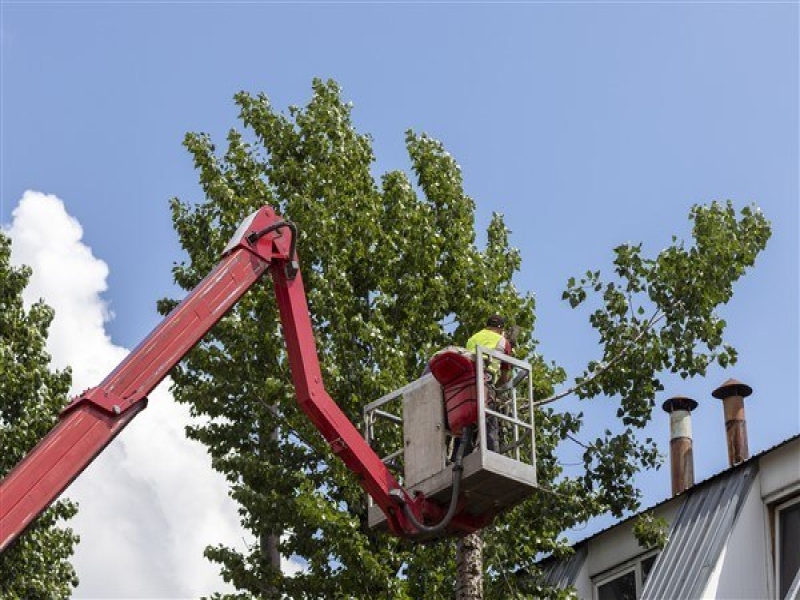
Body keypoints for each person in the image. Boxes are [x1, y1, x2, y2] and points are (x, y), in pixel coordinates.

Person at [465, 315, 513, 451]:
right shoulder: (503, 341)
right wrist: (498, 387)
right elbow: (504, 378)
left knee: (467, 422)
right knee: (489, 418)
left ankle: (460, 454)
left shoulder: (472, 338)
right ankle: (492, 451)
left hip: (466, 383)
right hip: (486, 380)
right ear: (501, 329)